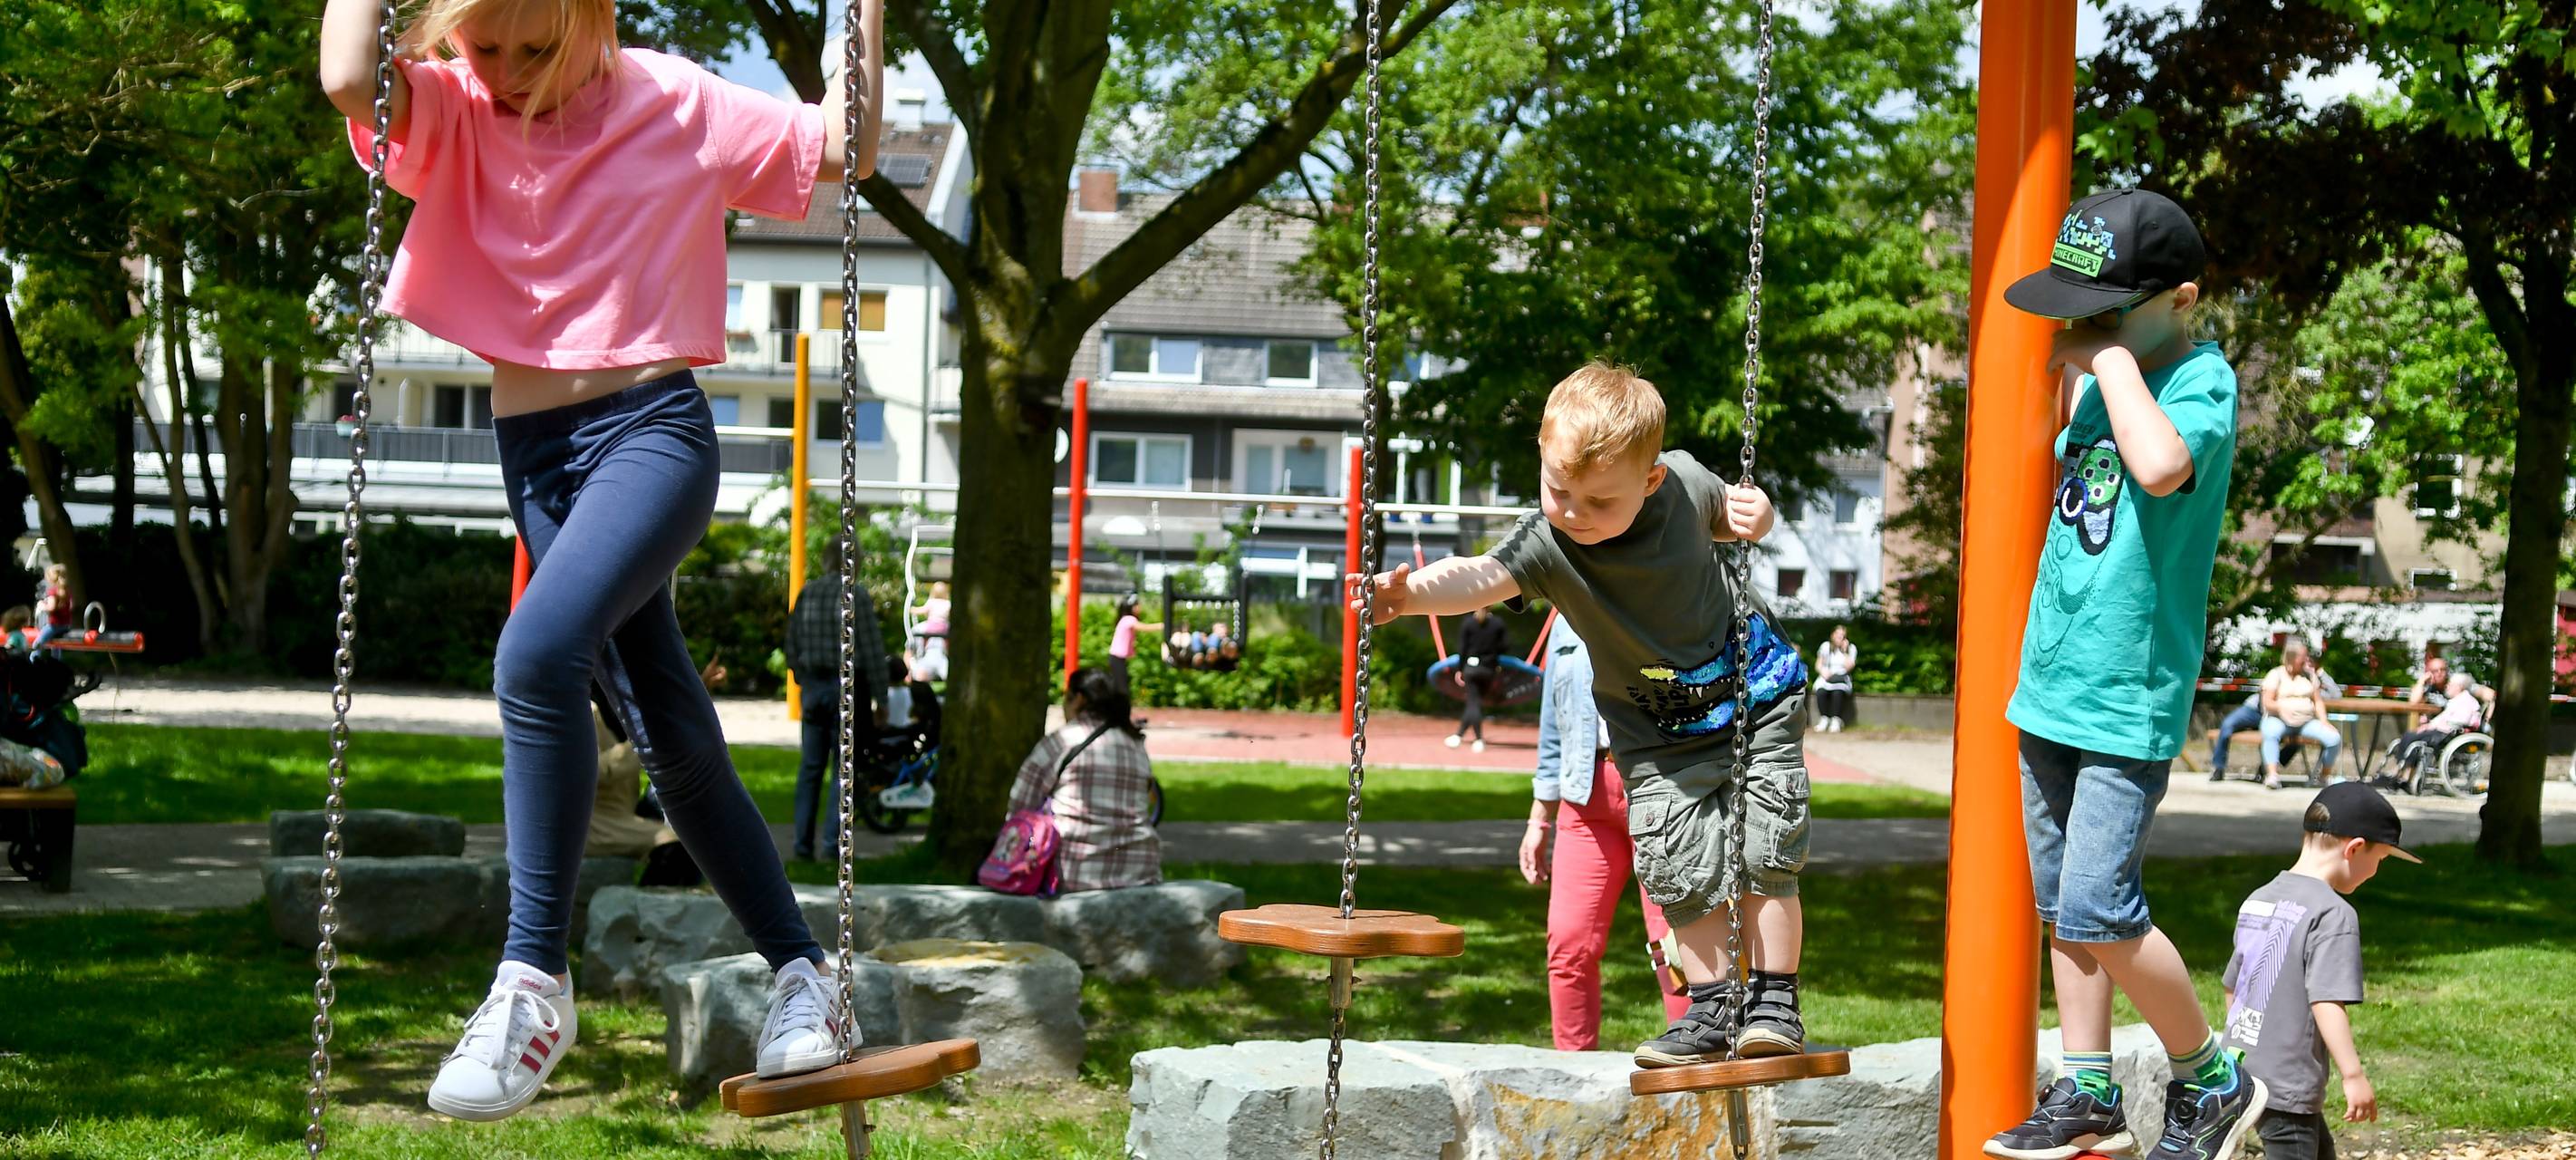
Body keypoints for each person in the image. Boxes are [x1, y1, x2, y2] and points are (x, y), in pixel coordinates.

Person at [320, 0, 886, 1121]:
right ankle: (803, 977)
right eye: (488, 47)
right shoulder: (456, 110)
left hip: (651, 433)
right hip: (534, 451)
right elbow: (348, 74)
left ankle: (532, 973)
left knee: (536, 654)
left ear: (594, 20)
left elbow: (844, 147)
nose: (515, 72)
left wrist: (862, 15)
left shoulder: (674, 100)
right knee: (668, 728)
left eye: (541, 46)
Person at [1355, 361, 1809, 1068]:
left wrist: (1761, 513)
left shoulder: (1684, 483)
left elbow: (1737, 512)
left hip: (1755, 698)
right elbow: (1478, 573)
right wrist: (1409, 594)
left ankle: (1775, 1001)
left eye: (1598, 501)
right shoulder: (1549, 540)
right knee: (1677, 867)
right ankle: (1712, 1009)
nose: (1572, 512)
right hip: (1654, 737)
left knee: (1763, 851)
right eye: (1558, 490)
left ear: (1649, 481)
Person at [1983, 188, 2267, 1160]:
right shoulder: (2104, 379)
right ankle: (2088, 1085)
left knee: (2103, 905)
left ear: (2181, 298)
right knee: (2063, 905)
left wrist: (2104, 355)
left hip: (2124, 693)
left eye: (2106, 309)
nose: (2084, 325)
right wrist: (2097, 356)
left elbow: (2154, 469)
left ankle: (2210, 1073)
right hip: (2051, 681)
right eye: (2077, 308)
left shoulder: (2198, 383)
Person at [2222, 782, 2417, 1160]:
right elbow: (2326, 998)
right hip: (2288, 1083)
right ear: (2355, 848)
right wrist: (2353, 1074)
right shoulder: (2333, 913)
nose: (2375, 872)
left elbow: (2234, 986)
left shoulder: (2259, 898)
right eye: (2381, 860)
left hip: (2244, 1070)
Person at [1525, 617, 1692, 1050]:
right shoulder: (1564, 618)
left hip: (1661, 792)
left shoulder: (1663, 592)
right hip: (1583, 796)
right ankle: (1574, 1072)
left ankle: (1697, 1067)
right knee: (1568, 942)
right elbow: (1552, 726)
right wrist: (1538, 819)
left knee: (1677, 944)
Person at [1001, 666, 1162, 892]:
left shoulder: (1062, 741)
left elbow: (1020, 807)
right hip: (1141, 872)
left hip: (1075, 874)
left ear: (1079, 699)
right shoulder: (1135, 743)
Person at [785, 552, 885, 863]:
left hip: (814, 688)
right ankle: (832, 846)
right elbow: (870, 650)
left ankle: (802, 846)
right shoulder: (856, 596)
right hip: (844, 687)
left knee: (810, 769)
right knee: (842, 770)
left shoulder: (808, 593)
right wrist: (881, 698)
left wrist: (803, 678)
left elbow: (792, 644)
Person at [2261, 638, 2343, 790]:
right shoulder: (2276, 674)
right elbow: (2267, 702)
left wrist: (2324, 721)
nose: (2306, 659)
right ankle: (2272, 776)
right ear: (2291, 657)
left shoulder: (2310, 676)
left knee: (2334, 738)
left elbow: (2318, 701)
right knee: (2270, 733)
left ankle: (2324, 777)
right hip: (2280, 719)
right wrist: (2281, 708)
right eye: (2302, 656)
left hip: (2306, 721)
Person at [2385, 670, 2483, 784]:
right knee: (2410, 735)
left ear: (2459, 687)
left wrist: (2431, 726)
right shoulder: (2456, 701)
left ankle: (2403, 771)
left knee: (2413, 738)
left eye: (2450, 684)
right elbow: (2442, 718)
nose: (2447, 686)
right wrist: (2429, 725)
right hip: (2444, 731)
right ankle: (2401, 769)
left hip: (2449, 734)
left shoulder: (2467, 701)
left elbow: (2459, 721)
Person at [1450, 606, 1510, 752]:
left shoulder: (1468, 623)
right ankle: (1458, 735)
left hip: (1471, 669)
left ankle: (1478, 740)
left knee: (1473, 703)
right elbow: (1505, 646)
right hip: (1488, 670)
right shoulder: (1498, 623)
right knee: (1474, 703)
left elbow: (1462, 649)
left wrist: (1459, 669)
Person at [2407, 652, 2494, 720]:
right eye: (2435, 671)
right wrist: (2421, 681)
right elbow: (2413, 702)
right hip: (2436, 727)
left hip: (2457, 728)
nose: (2439, 673)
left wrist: (2487, 718)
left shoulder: (2457, 683)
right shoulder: (2427, 688)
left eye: (2442, 669)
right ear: (2429, 672)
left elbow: (2489, 694)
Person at [1106, 596, 1162, 688]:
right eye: (1137, 605)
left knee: (1119, 686)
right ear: (1131, 607)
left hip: (1117, 659)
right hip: (1117, 659)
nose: (1140, 607)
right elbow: (1145, 628)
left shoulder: (1125, 619)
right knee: (1122, 688)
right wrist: (1162, 625)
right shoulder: (1129, 619)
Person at [1811, 625, 1858, 733]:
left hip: (1841, 678)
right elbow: (1818, 664)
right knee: (1821, 692)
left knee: (1838, 692)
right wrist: (1823, 672)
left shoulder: (1851, 648)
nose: (1840, 638)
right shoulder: (1825, 646)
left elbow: (1849, 666)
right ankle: (1824, 718)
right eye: (1838, 635)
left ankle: (1836, 719)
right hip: (1826, 677)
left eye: (1842, 636)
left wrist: (1845, 651)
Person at [910, 581, 950, 682]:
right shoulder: (948, 603)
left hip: (931, 626)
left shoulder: (931, 602)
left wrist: (911, 609)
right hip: (943, 628)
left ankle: (923, 649)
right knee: (946, 640)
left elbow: (922, 610)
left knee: (926, 638)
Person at [30, 564, 72, 651]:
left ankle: (34, 660)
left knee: (37, 645)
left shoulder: (53, 591)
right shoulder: (67, 590)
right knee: (55, 646)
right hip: (66, 625)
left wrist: (42, 605)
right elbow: (71, 606)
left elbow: (51, 607)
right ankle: (55, 661)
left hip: (54, 626)